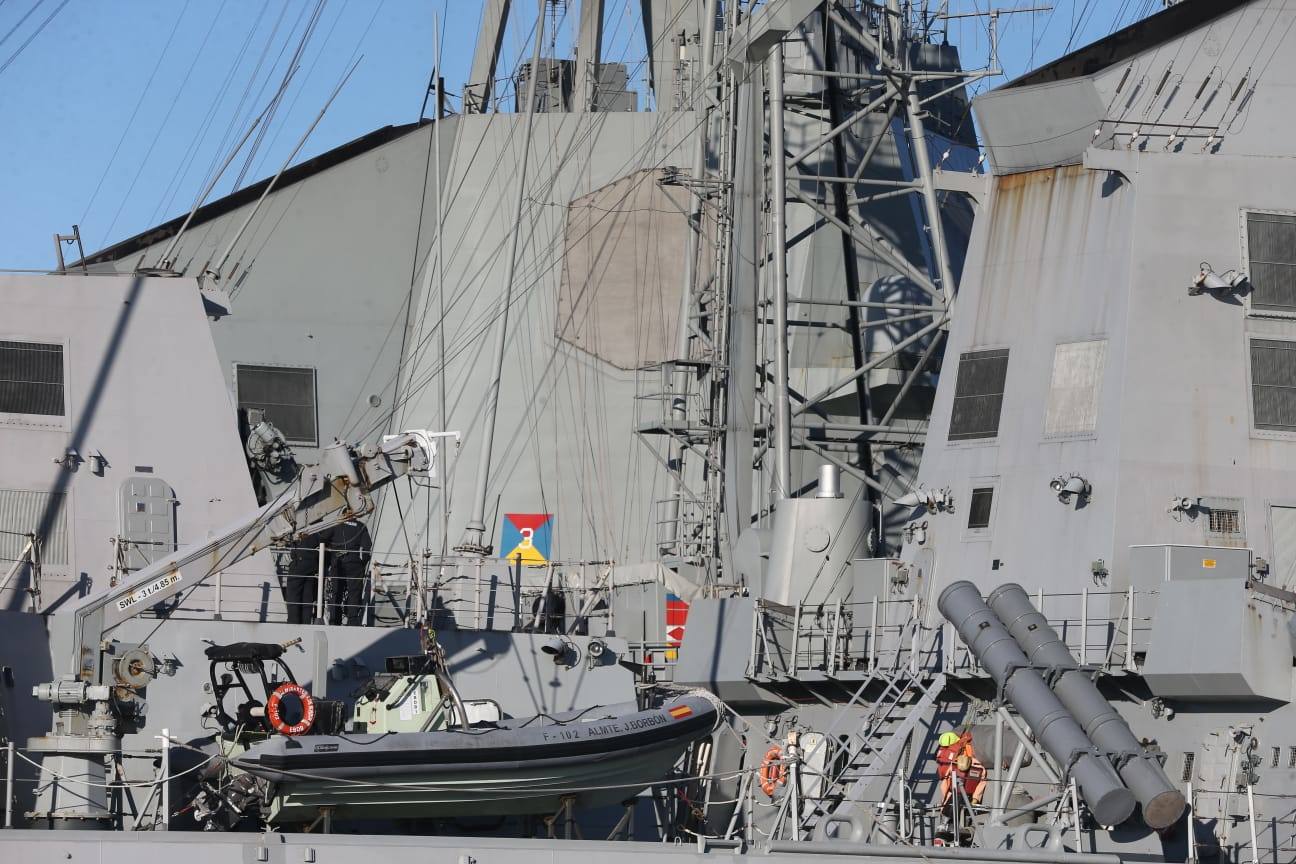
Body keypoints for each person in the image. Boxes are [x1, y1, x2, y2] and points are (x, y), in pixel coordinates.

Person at [322, 520, 372, 626]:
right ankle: (352, 620)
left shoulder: (335, 524)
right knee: (354, 592)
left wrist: (328, 561)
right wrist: (362, 563)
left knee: (336, 592)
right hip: (354, 562)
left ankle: (334, 620)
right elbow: (367, 546)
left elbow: (322, 539)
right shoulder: (360, 526)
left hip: (337, 562)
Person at [937, 730, 987, 808]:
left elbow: (944, 785)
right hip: (963, 798)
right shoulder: (978, 767)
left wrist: (943, 801)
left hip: (958, 798)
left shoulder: (953, 766)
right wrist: (975, 798)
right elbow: (982, 783)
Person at [281, 533, 324, 625]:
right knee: (307, 597)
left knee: (293, 595)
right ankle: (306, 623)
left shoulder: (301, 529)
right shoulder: (317, 532)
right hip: (312, 566)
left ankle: (293, 623)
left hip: (299, 564)